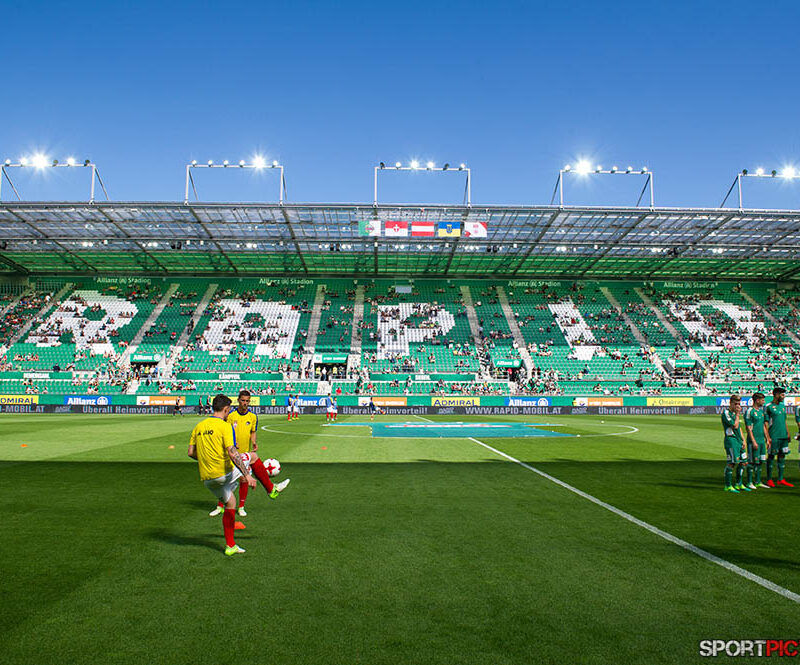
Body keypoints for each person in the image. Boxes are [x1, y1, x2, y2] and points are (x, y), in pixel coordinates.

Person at [187, 394, 290, 556]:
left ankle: (230, 546)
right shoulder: (225, 426)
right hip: (223, 472)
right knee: (253, 457)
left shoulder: (199, 426)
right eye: (228, 410)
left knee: (230, 503)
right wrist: (247, 475)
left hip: (208, 478)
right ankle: (271, 489)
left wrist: (208, 459)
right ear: (226, 409)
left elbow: (191, 452)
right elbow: (232, 452)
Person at [208, 390, 262, 517]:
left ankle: (241, 507)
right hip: (231, 453)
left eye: (247, 401)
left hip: (244, 452)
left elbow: (253, 432)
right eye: (243, 400)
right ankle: (220, 506)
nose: (245, 403)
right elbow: (224, 431)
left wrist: (254, 442)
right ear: (238, 400)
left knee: (244, 479)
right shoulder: (231, 416)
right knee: (226, 481)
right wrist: (232, 443)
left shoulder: (253, 417)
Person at [764, 387, 794, 487]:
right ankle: (769, 479)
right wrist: (767, 437)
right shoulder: (768, 407)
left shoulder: (782, 406)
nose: (783, 396)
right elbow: (765, 423)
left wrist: (788, 433)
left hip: (783, 436)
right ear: (776, 395)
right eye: (782, 395)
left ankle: (780, 479)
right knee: (771, 456)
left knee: (782, 456)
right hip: (774, 436)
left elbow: (784, 421)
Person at [722, 394, 748, 493]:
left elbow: (739, 428)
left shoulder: (734, 414)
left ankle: (739, 484)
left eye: (739, 404)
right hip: (731, 441)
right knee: (732, 463)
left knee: (743, 462)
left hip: (739, 441)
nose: (738, 406)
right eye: (736, 404)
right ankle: (728, 486)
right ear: (731, 403)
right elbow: (735, 426)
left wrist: (743, 440)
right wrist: (737, 414)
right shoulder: (726, 413)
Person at [744, 392, 769, 489]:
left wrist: (767, 439)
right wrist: (753, 441)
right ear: (757, 400)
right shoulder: (749, 411)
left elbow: (763, 426)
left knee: (760, 461)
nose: (764, 402)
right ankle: (749, 482)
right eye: (762, 400)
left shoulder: (761, 412)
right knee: (752, 461)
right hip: (753, 441)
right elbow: (748, 428)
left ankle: (758, 481)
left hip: (761, 441)